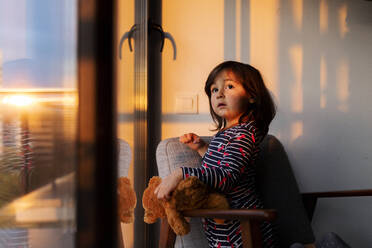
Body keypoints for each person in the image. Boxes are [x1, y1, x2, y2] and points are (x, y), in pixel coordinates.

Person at [154, 61, 278, 248]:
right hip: (224, 228)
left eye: (229, 86)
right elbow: (219, 166)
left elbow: (226, 177)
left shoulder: (245, 134)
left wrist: (180, 173)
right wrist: (202, 149)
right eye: (214, 90)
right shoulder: (228, 133)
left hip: (243, 228)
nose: (219, 93)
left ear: (252, 96)